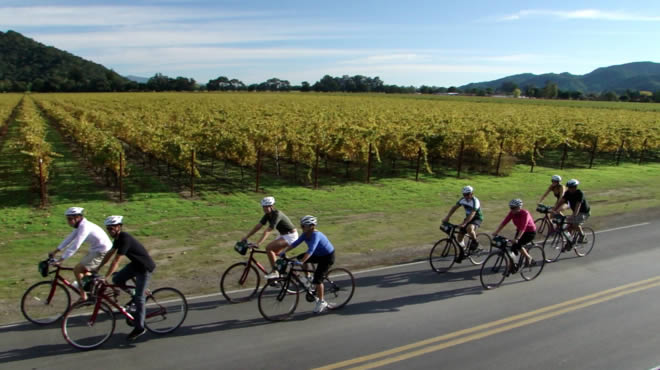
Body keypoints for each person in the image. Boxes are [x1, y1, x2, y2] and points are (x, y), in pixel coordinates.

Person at [96, 215, 156, 341]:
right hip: (135, 265)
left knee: (140, 299)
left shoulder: (125, 238)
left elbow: (116, 261)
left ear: (119, 227)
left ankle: (140, 327)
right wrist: (97, 268)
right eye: (108, 229)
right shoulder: (118, 239)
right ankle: (135, 294)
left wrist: (105, 277)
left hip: (144, 268)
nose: (110, 230)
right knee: (117, 279)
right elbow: (109, 254)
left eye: (112, 228)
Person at [48, 207, 112, 303]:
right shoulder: (81, 226)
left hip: (102, 251)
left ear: (78, 217)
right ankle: (93, 289)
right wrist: (55, 251)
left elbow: (76, 245)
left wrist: (61, 259)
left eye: (70, 219)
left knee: (77, 269)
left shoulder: (85, 227)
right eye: (67, 219)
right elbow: (69, 239)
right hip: (96, 250)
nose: (68, 222)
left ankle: (84, 296)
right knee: (84, 271)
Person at [281, 215, 335, 314]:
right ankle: (308, 277)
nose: (301, 227)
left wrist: (302, 262)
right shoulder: (305, 234)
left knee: (318, 279)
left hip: (327, 257)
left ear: (311, 226)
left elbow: (311, 250)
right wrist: (284, 251)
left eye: (303, 226)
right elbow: (295, 243)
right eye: (301, 225)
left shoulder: (316, 235)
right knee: (300, 257)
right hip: (318, 254)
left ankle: (321, 302)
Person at [241, 196, 298, 279]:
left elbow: (268, 230)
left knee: (269, 248)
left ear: (272, 206)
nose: (265, 208)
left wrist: (258, 243)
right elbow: (258, 226)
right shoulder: (267, 215)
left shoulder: (277, 214)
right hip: (283, 235)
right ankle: (287, 268)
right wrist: (246, 237)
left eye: (267, 206)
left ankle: (275, 272)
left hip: (291, 235)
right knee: (275, 253)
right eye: (264, 207)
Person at [442, 186, 484, 262]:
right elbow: (454, 207)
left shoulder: (475, 201)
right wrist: (447, 217)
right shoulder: (463, 200)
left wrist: (464, 223)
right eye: (464, 195)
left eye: (467, 194)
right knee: (459, 237)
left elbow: (472, 213)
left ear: (472, 194)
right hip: (468, 218)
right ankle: (464, 251)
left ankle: (475, 242)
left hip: (477, 218)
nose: (466, 196)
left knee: (469, 228)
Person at [492, 199, 535, 266]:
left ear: (519, 207)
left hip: (530, 232)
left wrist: (517, 239)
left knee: (518, 245)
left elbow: (523, 227)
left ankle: (529, 257)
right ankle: (513, 264)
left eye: (513, 208)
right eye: (511, 208)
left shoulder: (525, 214)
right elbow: (504, 222)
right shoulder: (512, 213)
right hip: (519, 231)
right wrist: (496, 232)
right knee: (512, 247)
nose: (511, 209)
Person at [553, 179, 590, 244]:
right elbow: (561, 201)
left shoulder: (580, 193)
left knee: (575, 224)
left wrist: (574, 215)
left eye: (571, 187)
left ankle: (582, 235)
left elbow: (578, 206)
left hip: (584, 212)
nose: (569, 189)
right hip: (575, 212)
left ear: (575, 187)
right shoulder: (568, 193)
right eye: (569, 187)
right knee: (568, 227)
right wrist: (554, 209)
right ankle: (569, 242)